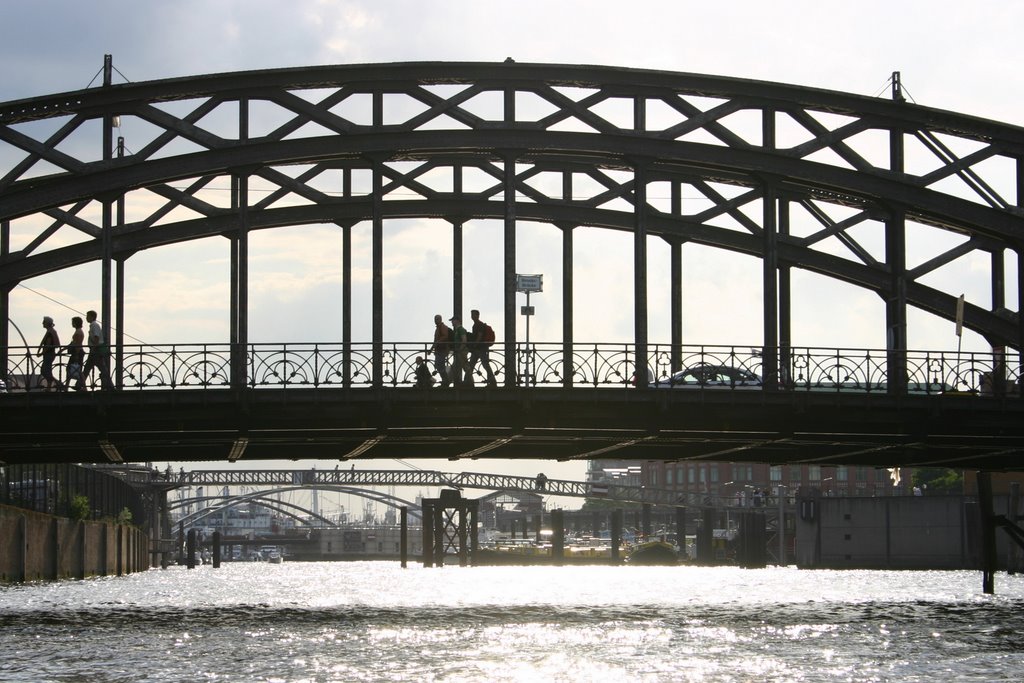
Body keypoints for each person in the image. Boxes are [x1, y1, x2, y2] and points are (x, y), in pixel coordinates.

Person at [78, 309, 112, 390]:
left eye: (88, 316)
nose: (86, 318)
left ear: (92, 317)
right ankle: (79, 384)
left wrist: (94, 347)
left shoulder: (94, 325)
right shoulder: (93, 325)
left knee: (99, 368)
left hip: (95, 350)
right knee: (90, 368)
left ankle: (79, 385)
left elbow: (96, 337)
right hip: (95, 350)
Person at [467, 309, 497, 388]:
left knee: (482, 364)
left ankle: (492, 381)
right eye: (471, 315)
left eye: (473, 315)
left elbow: (479, 336)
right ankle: (467, 381)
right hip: (480, 348)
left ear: (477, 315)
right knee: (474, 365)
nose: (472, 316)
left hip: (480, 348)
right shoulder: (475, 325)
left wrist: (475, 345)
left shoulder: (479, 325)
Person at [36, 316, 62, 391]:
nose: (42, 323)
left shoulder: (50, 332)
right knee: (47, 370)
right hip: (50, 354)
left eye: (44, 322)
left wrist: (41, 353)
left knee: (44, 370)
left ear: (47, 323)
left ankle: (56, 384)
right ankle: (51, 386)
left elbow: (48, 345)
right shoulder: (51, 331)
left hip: (49, 354)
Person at [428, 314, 452, 387]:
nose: (436, 320)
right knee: (438, 365)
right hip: (439, 350)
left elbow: (445, 336)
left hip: (442, 350)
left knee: (439, 366)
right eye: (435, 319)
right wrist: (431, 349)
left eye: (437, 319)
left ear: (441, 319)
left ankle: (446, 381)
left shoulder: (442, 327)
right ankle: (445, 381)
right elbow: (435, 340)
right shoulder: (438, 328)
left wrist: (438, 342)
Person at [65, 316, 85, 391]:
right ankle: (83, 387)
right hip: (78, 352)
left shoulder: (78, 332)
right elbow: (73, 343)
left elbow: (77, 344)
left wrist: (76, 354)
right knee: (77, 370)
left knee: (73, 369)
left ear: (75, 323)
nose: (72, 323)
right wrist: (64, 348)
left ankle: (67, 387)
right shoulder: (78, 331)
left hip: (77, 352)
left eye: (72, 322)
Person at [449, 315, 469, 386]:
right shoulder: (458, 330)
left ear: (457, 321)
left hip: (461, 351)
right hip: (459, 351)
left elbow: (464, 340)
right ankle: (447, 382)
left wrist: (460, 349)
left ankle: (470, 382)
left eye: (453, 320)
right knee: (455, 367)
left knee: (465, 367)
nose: (451, 322)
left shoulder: (460, 329)